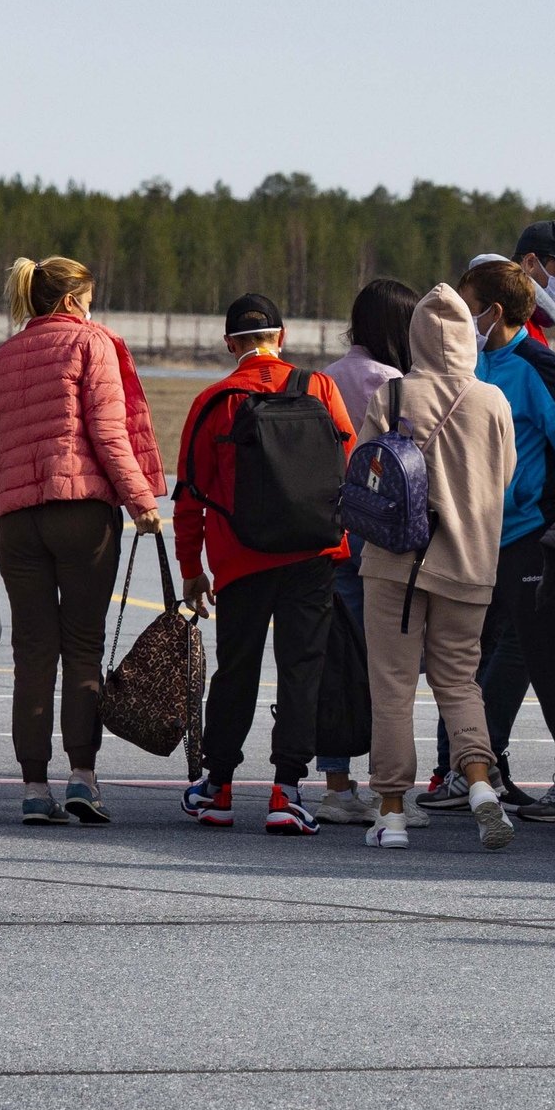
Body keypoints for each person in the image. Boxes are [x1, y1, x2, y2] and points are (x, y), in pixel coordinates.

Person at [0, 256, 166, 826]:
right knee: (82, 647)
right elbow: (107, 430)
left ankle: (32, 786)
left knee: (32, 653)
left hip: (18, 522)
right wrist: (141, 499)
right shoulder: (91, 344)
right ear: (76, 299)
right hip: (82, 515)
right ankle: (83, 777)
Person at [173, 294, 357, 834]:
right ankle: (288, 790)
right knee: (302, 670)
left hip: (241, 557)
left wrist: (191, 569)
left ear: (231, 344)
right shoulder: (320, 388)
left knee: (237, 671)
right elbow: (347, 460)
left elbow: (190, 498)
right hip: (312, 555)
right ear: (284, 336)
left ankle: (220, 787)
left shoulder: (214, 401)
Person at [359, 284, 521, 851]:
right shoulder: (493, 400)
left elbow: (366, 473)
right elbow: (503, 479)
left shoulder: (394, 394)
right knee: (459, 681)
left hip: (394, 562)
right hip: (471, 560)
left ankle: (392, 811)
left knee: (393, 686)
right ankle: (479, 784)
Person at [455, 258, 555, 823]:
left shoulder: (537, 365)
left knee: (550, 655)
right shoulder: (475, 362)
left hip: (533, 537)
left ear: (493, 311)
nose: (463, 318)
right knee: (477, 657)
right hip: (483, 537)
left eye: (470, 308)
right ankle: (472, 768)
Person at [312, 277, 417, 825]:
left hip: (331, 537)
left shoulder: (324, 378)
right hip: (381, 540)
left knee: (336, 665)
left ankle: (336, 784)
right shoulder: (398, 385)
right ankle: (388, 791)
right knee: (388, 668)